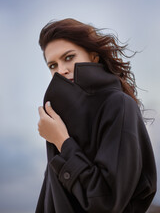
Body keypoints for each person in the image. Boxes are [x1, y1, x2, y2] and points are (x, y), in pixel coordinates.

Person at [36, 18, 157, 213]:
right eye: (52, 65)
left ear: (93, 57)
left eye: (68, 57)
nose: (61, 70)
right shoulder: (59, 119)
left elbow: (107, 202)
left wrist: (63, 142)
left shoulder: (119, 105)